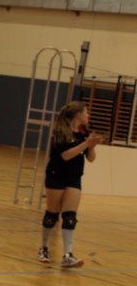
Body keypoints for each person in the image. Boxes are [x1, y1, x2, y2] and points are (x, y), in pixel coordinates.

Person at [38, 100, 103, 268]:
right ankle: (44, 248)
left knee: (70, 217)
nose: (88, 115)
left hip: (74, 178)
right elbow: (66, 156)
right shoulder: (60, 133)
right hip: (56, 176)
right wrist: (86, 143)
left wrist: (92, 147)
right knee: (52, 215)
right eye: (86, 112)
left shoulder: (83, 133)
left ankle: (67, 255)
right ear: (78, 114)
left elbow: (91, 158)